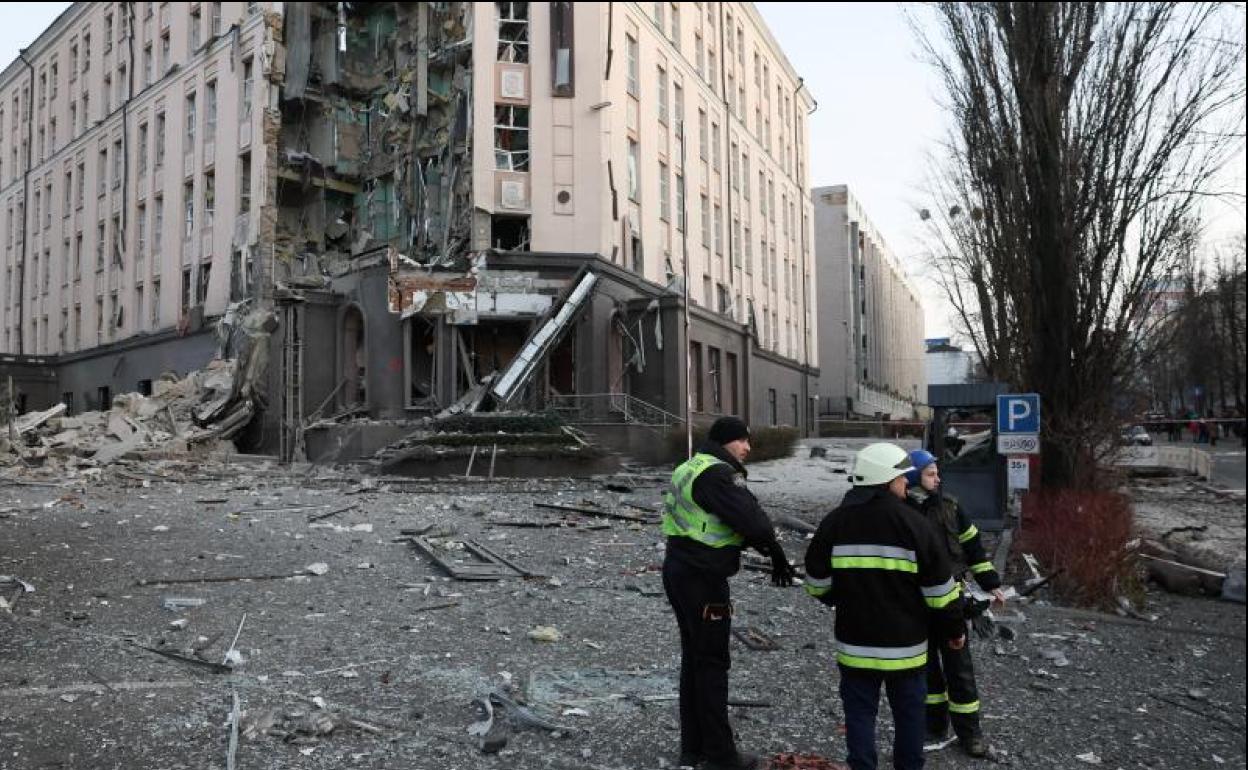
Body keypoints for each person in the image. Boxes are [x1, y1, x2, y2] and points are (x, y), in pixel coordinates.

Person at [804, 443, 964, 770]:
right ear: (886, 479)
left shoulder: (835, 522)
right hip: (906, 648)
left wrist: (844, 600)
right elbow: (940, 594)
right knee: (909, 718)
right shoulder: (915, 525)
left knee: (860, 715)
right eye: (902, 477)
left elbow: (816, 584)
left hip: (855, 644)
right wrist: (954, 630)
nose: (907, 482)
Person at [661, 416, 796, 770]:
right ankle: (721, 755)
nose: (747, 448)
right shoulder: (718, 474)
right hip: (703, 578)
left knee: (695, 660)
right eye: (742, 441)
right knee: (712, 664)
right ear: (725, 442)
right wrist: (777, 554)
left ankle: (693, 748)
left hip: (678, 569)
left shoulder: (689, 467)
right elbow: (754, 523)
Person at [903, 449, 1004, 758]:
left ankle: (970, 734)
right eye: (931, 474)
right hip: (914, 606)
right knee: (927, 669)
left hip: (951, 604)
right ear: (912, 478)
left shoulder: (950, 507)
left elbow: (974, 549)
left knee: (960, 670)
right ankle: (935, 727)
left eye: (937, 473)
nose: (938, 479)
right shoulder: (898, 512)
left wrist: (992, 585)